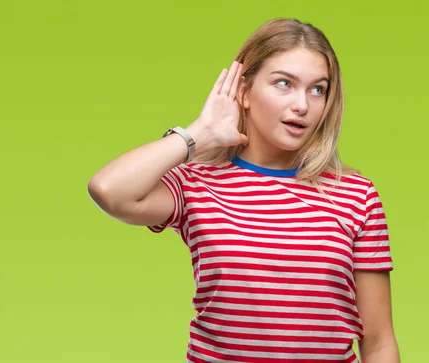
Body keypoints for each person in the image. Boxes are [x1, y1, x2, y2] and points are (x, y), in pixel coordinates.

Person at [87, 18, 400, 363]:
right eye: (284, 83)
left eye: (317, 89)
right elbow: (109, 190)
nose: (302, 105)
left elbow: (379, 342)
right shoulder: (196, 182)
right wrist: (199, 133)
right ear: (244, 91)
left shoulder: (355, 195)